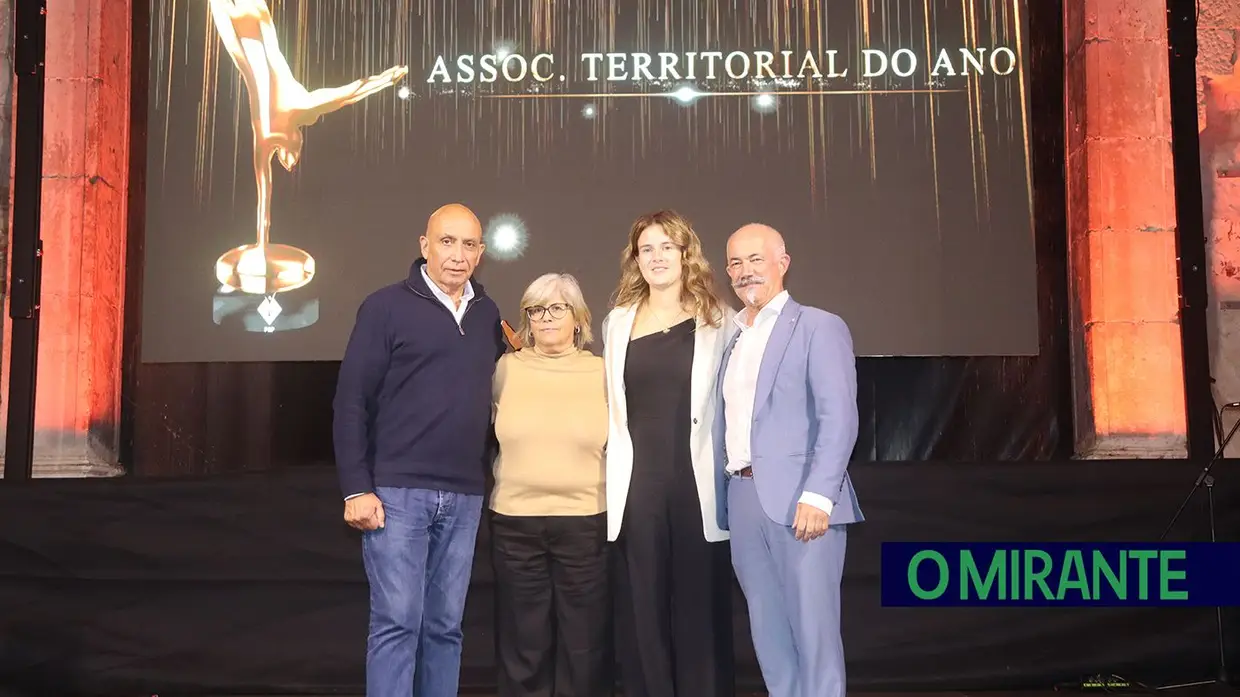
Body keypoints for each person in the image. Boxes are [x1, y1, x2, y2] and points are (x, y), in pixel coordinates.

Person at [332, 203, 510, 697]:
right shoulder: (384, 307)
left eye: (469, 244)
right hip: (396, 493)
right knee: (396, 624)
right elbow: (351, 402)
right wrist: (356, 488)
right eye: (447, 242)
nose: (458, 255)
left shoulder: (488, 313)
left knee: (446, 629)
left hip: (466, 495)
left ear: (481, 252)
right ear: (424, 246)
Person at [713, 223, 864, 697]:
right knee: (769, 633)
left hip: (803, 499)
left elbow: (838, 416)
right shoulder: (732, 338)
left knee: (814, 636)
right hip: (742, 498)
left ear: (783, 262)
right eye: (735, 262)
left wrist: (819, 494)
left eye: (756, 259)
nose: (744, 271)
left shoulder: (819, 326)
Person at [601, 209, 737, 697]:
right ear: (635, 260)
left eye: (666, 247)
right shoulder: (616, 322)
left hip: (696, 484)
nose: (657, 257)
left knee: (699, 608)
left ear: (685, 253)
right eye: (646, 249)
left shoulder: (719, 320)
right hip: (637, 489)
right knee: (643, 610)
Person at [489, 272, 612, 697]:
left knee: (584, 640)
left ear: (578, 317)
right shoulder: (506, 369)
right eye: (536, 310)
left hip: (584, 522)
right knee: (524, 639)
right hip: (514, 523)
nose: (545, 318)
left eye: (556, 308)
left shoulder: (603, 372)